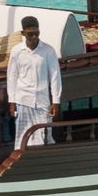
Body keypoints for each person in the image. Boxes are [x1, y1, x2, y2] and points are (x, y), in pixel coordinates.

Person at [5, 15, 61, 149]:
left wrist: (56, 102)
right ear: (23, 33)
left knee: (44, 135)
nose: (34, 37)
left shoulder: (48, 50)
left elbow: (55, 76)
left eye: (36, 33)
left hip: (43, 101)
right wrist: (11, 102)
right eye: (30, 34)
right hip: (23, 100)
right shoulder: (17, 51)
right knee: (23, 136)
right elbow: (12, 76)